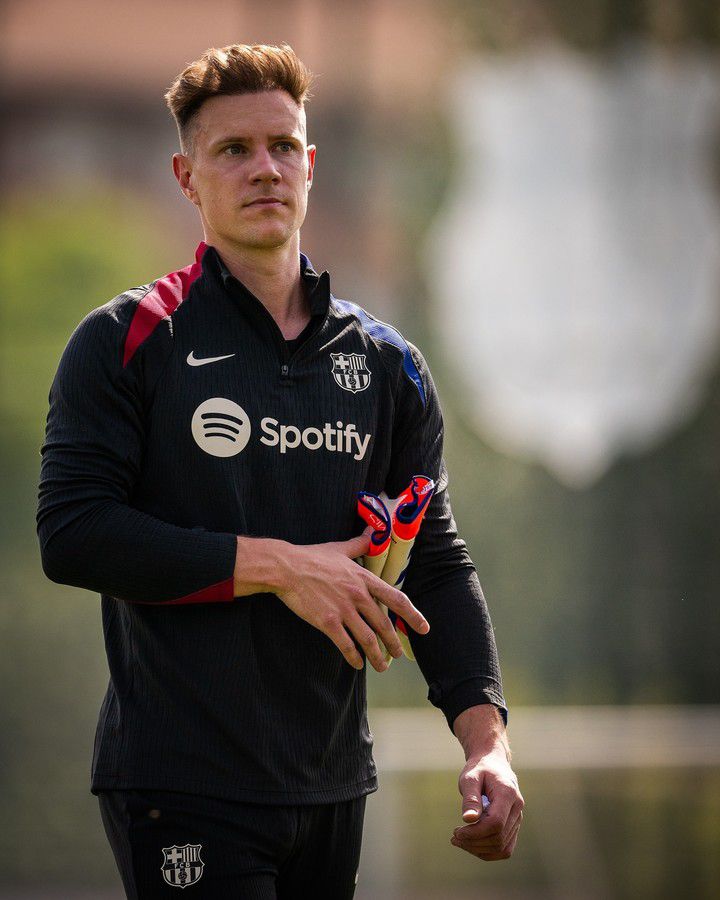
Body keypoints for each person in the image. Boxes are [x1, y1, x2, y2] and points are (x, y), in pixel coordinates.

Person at [36, 43, 523, 899]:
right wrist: (281, 568)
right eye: (233, 150)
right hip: (181, 785)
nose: (265, 168)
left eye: (282, 146)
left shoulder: (389, 366)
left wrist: (487, 744)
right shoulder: (126, 340)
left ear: (310, 164)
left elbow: (436, 562)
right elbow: (73, 534)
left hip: (333, 787)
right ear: (187, 178)